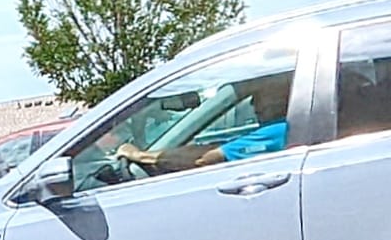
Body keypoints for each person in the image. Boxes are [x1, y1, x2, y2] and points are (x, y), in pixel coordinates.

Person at [112, 71, 294, 174]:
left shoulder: (281, 132)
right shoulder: (285, 128)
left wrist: (141, 156)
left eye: (260, 95)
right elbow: (226, 147)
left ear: (284, 93)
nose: (254, 103)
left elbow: (204, 158)